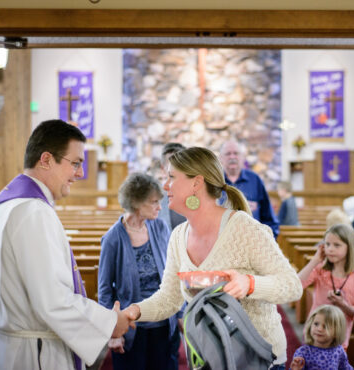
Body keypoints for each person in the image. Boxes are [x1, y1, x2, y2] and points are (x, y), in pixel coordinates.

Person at [121, 147, 302, 370]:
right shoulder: (178, 236)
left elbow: (292, 286)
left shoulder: (243, 228)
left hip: (258, 359)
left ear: (196, 183)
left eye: (171, 178)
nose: (165, 186)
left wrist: (250, 284)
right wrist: (134, 311)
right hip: (208, 358)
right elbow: (169, 298)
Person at [0, 119, 132, 370]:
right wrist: (111, 322)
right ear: (46, 159)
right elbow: (53, 301)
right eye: (75, 163)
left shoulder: (3, 206)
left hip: (12, 349)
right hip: (34, 355)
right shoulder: (33, 212)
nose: (80, 174)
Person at [97, 173, 180, 370]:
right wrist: (113, 332)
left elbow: (174, 272)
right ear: (136, 202)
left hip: (163, 323)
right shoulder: (113, 239)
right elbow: (105, 290)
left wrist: (181, 313)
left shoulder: (160, 227)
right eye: (153, 202)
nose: (160, 207)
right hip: (132, 328)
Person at [297, 223, 354, 349]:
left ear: (349, 248)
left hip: (338, 338)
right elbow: (297, 285)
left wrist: (343, 304)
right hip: (314, 334)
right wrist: (315, 260)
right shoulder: (321, 269)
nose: (330, 249)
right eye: (327, 244)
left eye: (337, 245)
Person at [219, 139, 279, 237]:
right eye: (228, 154)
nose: (232, 157)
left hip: (252, 242)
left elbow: (269, 219)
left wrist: (268, 242)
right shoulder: (213, 182)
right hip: (221, 243)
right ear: (221, 158)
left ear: (243, 157)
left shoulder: (255, 180)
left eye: (236, 153)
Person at [290, 305, 354, 370]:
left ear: (337, 331)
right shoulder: (303, 352)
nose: (319, 329)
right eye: (316, 324)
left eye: (325, 326)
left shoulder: (338, 351)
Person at [158, 142, 187, 230]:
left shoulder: (201, 195)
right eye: (171, 164)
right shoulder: (155, 200)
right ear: (163, 168)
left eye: (181, 163)